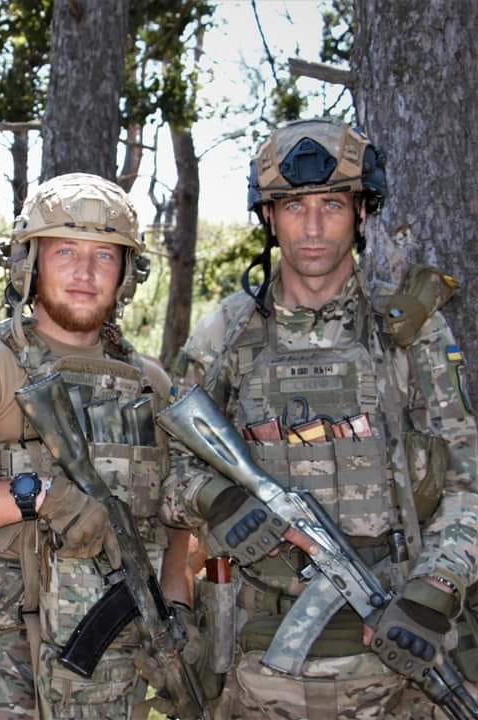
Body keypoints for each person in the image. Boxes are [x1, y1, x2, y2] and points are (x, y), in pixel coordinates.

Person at [162, 118, 478, 719]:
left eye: (331, 205)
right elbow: (170, 469)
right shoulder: (226, 334)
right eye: (293, 206)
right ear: (268, 216)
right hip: (260, 665)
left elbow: (469, 477)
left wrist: (436, 588)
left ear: (360, 212)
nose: (311, 227)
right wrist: (217, 499)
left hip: (397, 652)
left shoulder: (410, 332)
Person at [0, 173, 196, 719]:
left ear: (127, 272)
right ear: (31, 263)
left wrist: (176, 605)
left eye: (104, 255)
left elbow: (176, 520)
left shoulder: (149, 385)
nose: (85, 273)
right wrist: (39, 495)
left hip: (113, 674)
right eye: (65, 251)